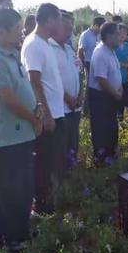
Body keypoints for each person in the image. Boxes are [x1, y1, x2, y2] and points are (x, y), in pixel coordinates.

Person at [0, 8, 42, 251]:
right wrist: (34, 119)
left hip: (22, 133)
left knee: (24, 186)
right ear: (1, 31)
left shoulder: (11, 54)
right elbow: (10, 100)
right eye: (17, 29)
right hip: (5, 138)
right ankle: (9, 237)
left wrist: (37, 109)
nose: (22, 33)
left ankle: (21, 229)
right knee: (9, 191)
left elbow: (24, 89)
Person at [22, 3, 64, 215]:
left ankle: (48, 202)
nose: (61, 24)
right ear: (48, 20)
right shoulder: (33, 45)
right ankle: (40, 206)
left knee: (51, 160)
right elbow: (34, 80)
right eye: (58, 19)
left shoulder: (45, 43)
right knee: (43, 162)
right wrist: (45, 114)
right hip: (48, 115)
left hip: (57, 112)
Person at [50, 13, 83, 171]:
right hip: (61, 109)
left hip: (75, 106)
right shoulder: (49, 49)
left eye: (72, 29)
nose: (70, 32)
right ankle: (61, 179)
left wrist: (80, 94)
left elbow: (78, 72)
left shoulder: (69, 48)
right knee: (61, 146)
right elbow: (50, 81)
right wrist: (67, 98)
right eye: (67, 28)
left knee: (73, 143)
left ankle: (72, 173)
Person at [88, 22, 122, 163]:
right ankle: (101, 161)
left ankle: (111, 157)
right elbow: (101, 79)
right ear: (109, 36)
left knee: (111, 129)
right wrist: (115, 93)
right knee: (102, 130)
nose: (121, 37)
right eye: (118, 34)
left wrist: (119, 88)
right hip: (101, 98)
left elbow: (113, 74)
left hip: (110, 96)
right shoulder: (101, 52)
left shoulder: (110, 50)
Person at [115, 23, 128, 120]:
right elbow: (114, 62)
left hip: (125, 75)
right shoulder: (113, 46)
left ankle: (126, 117)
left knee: (126, 96)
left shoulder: (126, 45)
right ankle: (119, 117)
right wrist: (126, 66)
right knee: (118, 99)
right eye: (121, 33)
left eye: (125, 34)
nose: (123, 36)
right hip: (117, 76)